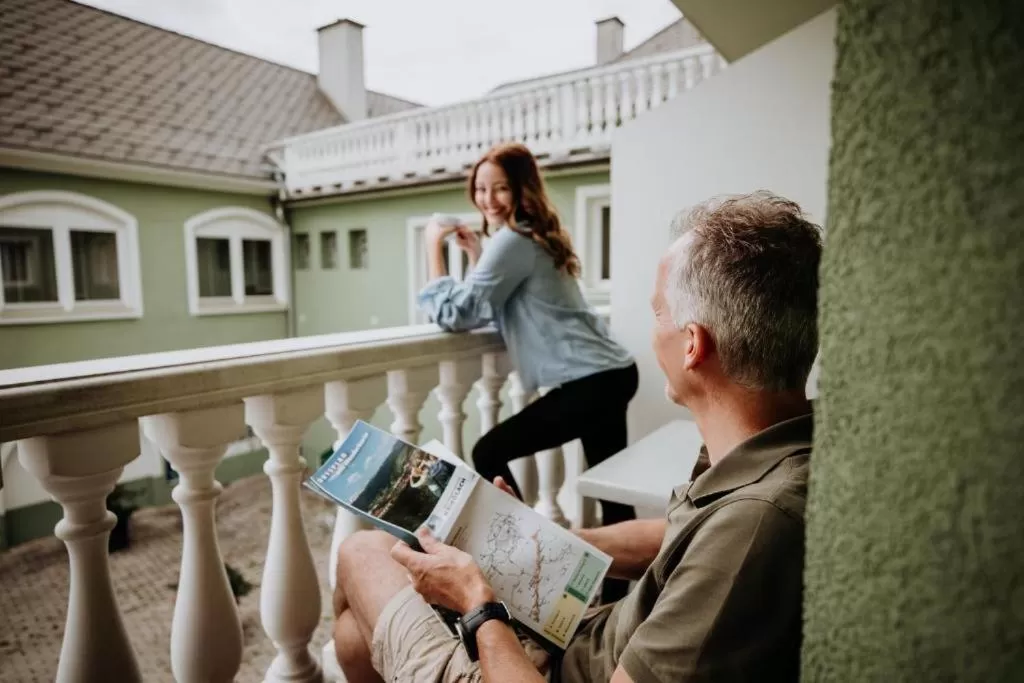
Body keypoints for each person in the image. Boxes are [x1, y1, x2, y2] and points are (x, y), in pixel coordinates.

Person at [333, 190, 822, 683]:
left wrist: (477, 603)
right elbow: (676, 541)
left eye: (657, 314)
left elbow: (718, 551)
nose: (652, 332)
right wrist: (544, 539)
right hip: (590, 638)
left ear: (693, 345)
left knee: (362, 553)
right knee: (354, 635)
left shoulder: (754, 524)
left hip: (547, 670)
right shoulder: (775, 450)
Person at [418, 142, 639, 601]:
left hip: (593, 381)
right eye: (480, 189)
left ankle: (535, 563)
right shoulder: (525, 238)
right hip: (612, 373)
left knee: (489, 450)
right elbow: (495, 304)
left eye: (500, 188)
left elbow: (459, 313)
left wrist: (432, 250)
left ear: (522, 190)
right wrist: (478, 255)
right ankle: (623, 602)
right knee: (610, 491)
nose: (488, 199)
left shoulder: (514, 241)